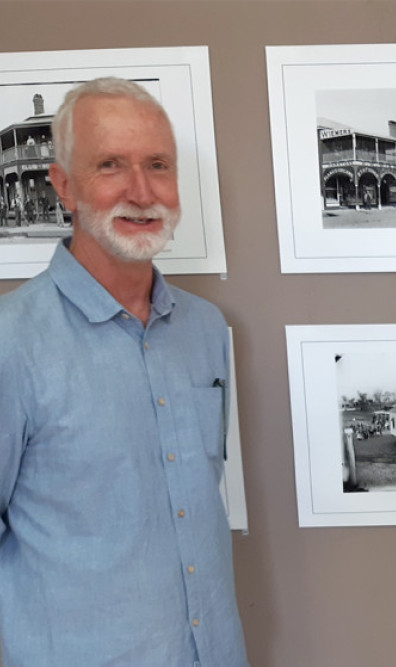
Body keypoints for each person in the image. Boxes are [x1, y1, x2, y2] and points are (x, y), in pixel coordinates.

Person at [0, 77, 248, 665]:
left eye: (157, 165)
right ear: (64, 186)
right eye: (110, 164)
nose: (141, 192)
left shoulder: (206, 329)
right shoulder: (11, 341)